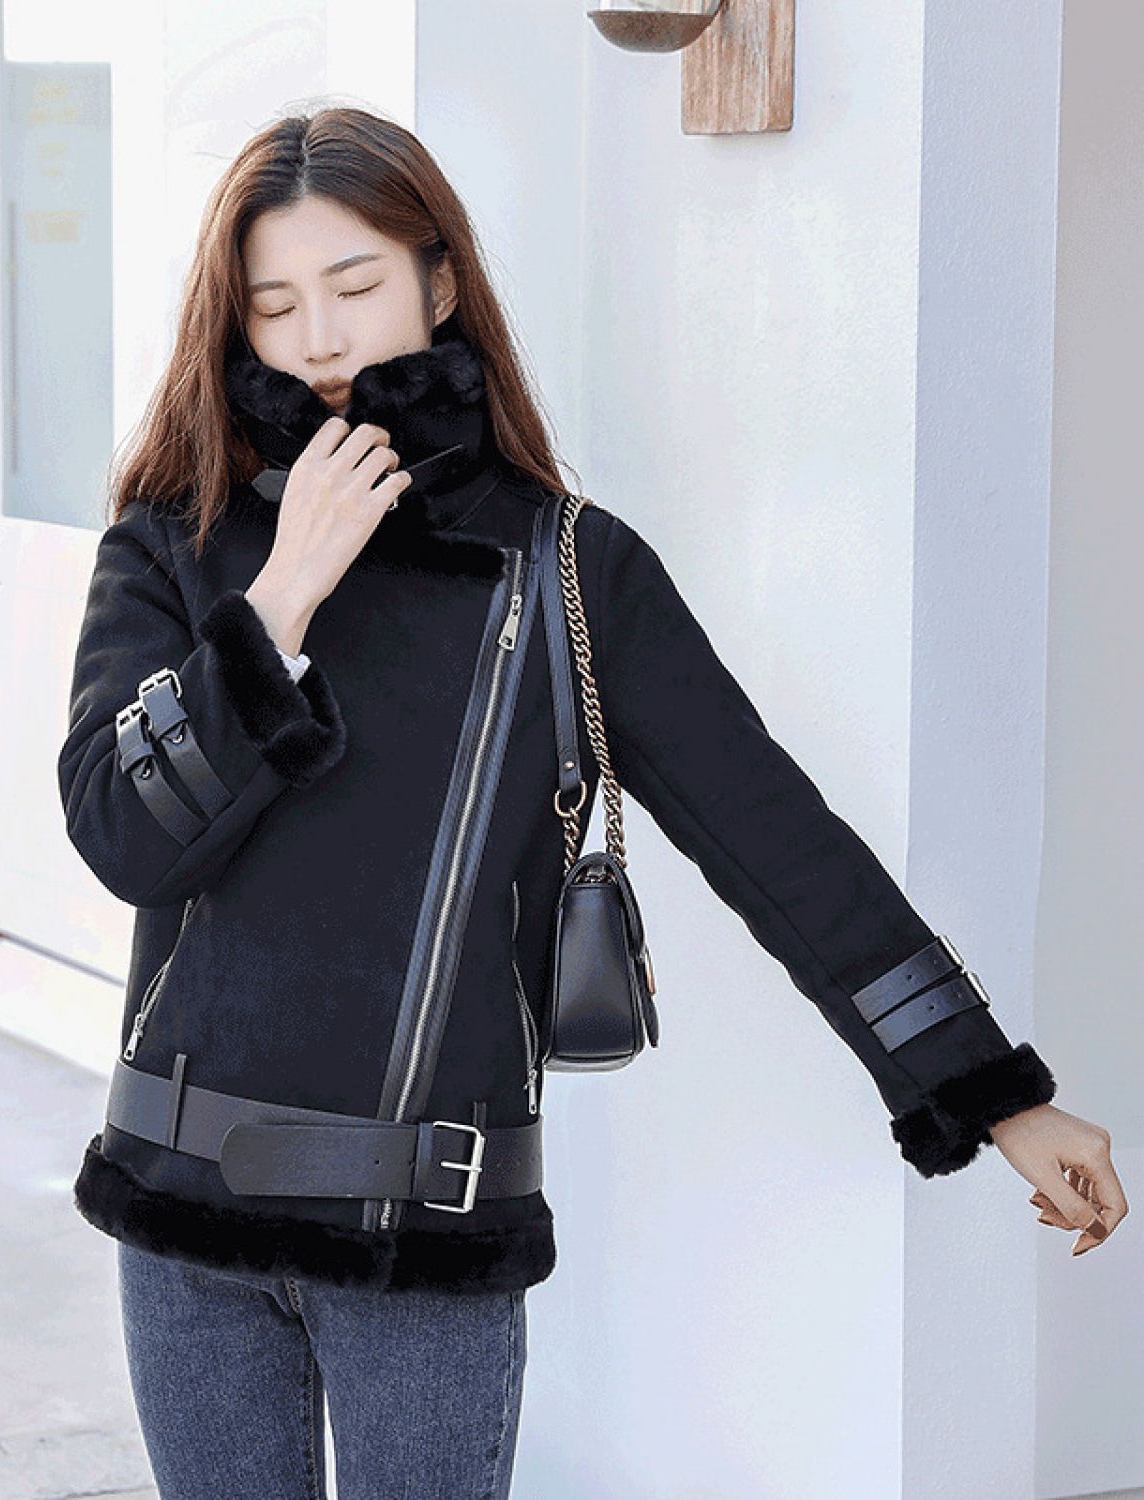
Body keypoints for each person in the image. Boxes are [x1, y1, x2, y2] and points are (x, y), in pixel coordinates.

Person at [56, 104, 1126, 1500]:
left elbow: (777, 842)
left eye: (355, 285)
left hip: (425, 1241)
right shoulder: (174, 539)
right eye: (275, 304)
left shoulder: (566, 568)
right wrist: (282, 599)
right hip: (184, 1223)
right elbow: (119, 835)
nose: (319, 339)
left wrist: (991, 1095)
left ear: (441, 282)